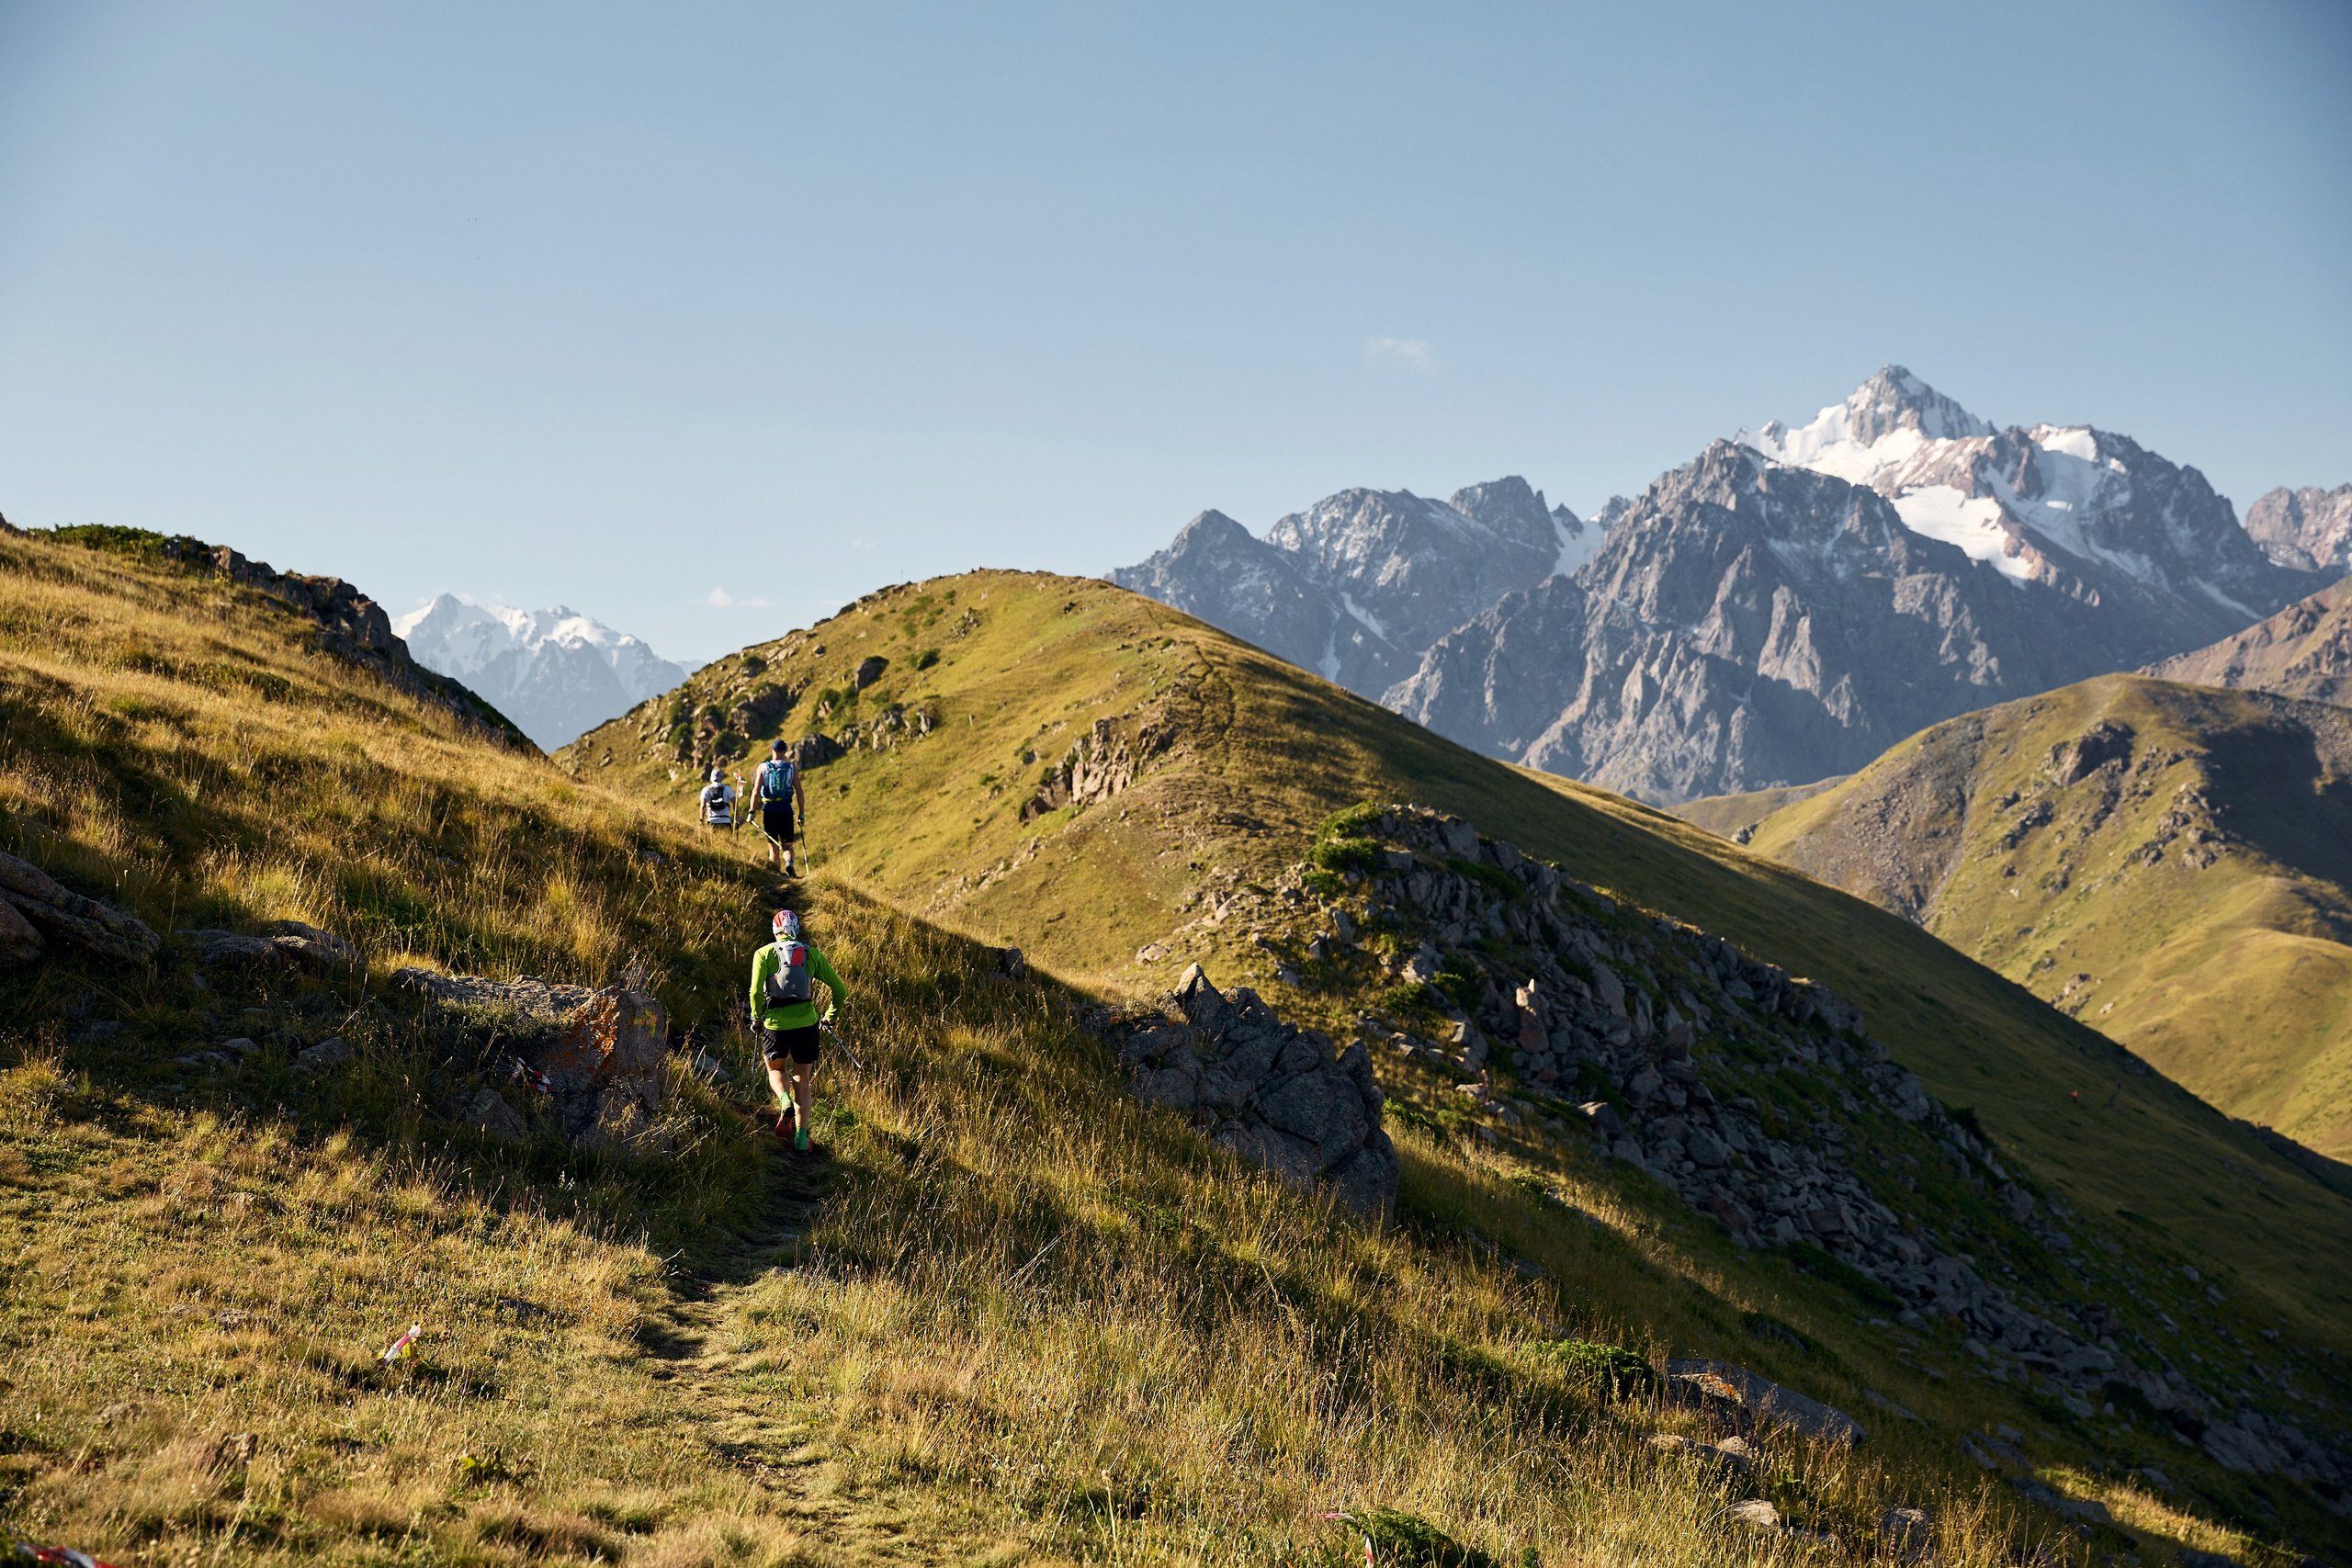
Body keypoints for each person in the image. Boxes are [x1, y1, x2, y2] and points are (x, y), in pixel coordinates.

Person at [748, 907, 845, 1153]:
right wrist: (830, 1017)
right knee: (802, 1079)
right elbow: (840, 989)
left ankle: (784, 1101)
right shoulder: (812, 954)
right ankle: (802, 1140)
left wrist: (757, 1018)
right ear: (796, 929)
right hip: (807, 1024)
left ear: (775, 931)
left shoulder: (763, 953)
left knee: (776, 1070)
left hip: (775, 1025)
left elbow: (755, 992)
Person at [750, 739, 808, 875]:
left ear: (771, 751)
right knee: (787, 845)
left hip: (769, 810)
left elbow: (756, 792)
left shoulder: (763, 767)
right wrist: (801, 814)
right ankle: (789, 863)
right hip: (786, 810)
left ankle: (776, 875)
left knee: (773, 846)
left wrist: (751, 812)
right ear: (784, 752)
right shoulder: (791, 768)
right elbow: (800, 793)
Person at [698, 767, 737, 832]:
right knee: (727, 842)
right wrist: (737, 816)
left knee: (712, 842)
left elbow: (703, 806)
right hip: (725, 820)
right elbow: (734, 803)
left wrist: (701, 820)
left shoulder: (706, 790)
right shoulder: (727, 789)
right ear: (721, 778)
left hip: (711, 821)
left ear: (711, 778)